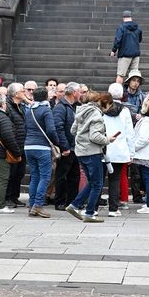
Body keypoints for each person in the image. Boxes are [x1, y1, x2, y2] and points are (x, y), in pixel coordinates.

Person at [65, 92, 117, 223]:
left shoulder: (81, 111)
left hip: (81, 152)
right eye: (109, 106)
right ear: (105, 103)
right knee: (98, 184)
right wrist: (108, 139)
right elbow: (95, 136)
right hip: (92, 152)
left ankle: (75, 205)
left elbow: (73, 130)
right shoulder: (96, 114)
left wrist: (83, 135)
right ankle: (89, 213)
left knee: (92, 182)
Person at [24, 87, 59, 218]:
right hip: (42, 147)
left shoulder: (29, 110)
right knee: (45, 176)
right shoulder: (46, 110)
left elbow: (25, 127)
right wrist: (56, 142)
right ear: (46, 97)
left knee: (35, 176)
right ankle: (38, 205)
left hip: (28, 146)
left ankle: (32, 204)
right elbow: (51, 130)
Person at [103, 83, 136, 217]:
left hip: (103, 147)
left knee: (99, 179)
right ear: (122, 95)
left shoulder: (102, 108)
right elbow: (129, 133)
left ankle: (92, 208)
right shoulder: (125, 111)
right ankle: (113, 208)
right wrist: (131, 152)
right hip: (119, 149)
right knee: (115, 179)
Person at [53, 82, 81, 211]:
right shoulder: (61, 107)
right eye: (79, 91)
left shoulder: (74, 107)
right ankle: (60, 201)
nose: (80, 94)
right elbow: (58, 127)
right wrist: (64, 147)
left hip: (75, 148)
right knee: (62, 175)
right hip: (67, 148)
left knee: (74, 177)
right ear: (74, 93)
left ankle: (72, 202)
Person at [5, 82, 27, 208]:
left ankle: (14, 196)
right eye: (22, 90)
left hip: (22, 144)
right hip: (13, 145)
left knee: (20, 172)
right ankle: (7, 197)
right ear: (15, 94)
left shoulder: (22, 106)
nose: (25, 92)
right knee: (11, 173)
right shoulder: (8, 106)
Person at [111, 10, 142, 84]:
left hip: (125, 54)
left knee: (120, 75)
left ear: (123, 18)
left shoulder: (121, 27)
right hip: (136, 54)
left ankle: (117, 94)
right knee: (134, 76)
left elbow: (117, 40)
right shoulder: (138, 28)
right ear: (131, 17)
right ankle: (133, 94)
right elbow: (139, 40)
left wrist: (113, 51)